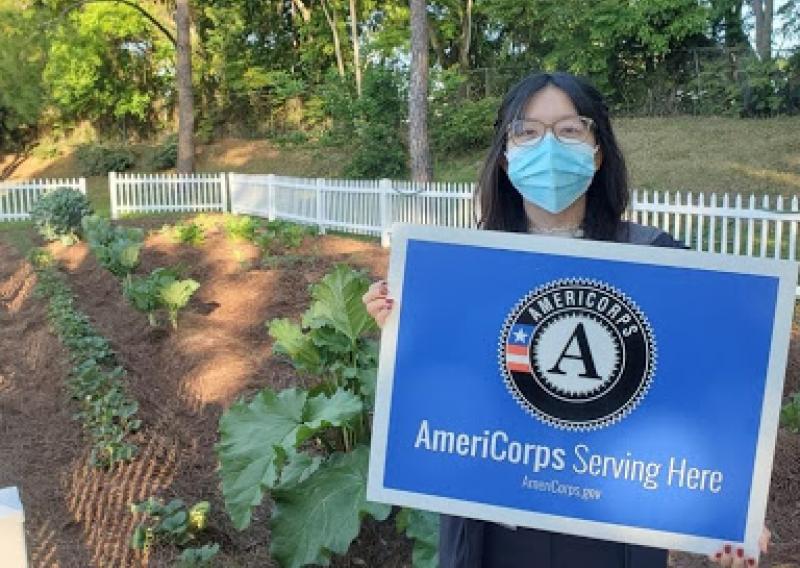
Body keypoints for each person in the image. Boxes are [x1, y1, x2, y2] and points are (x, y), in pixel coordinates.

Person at [362, 71, 770, 568]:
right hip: (493, 530)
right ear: (506, 153)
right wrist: (404, 332)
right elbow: (447, 386)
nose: (547, 146)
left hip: (613, 531)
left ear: (598, 151)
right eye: (527, 131)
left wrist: (733, 514)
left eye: (570, 129)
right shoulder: (462, 265)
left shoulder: (657, 261)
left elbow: (706, 387)